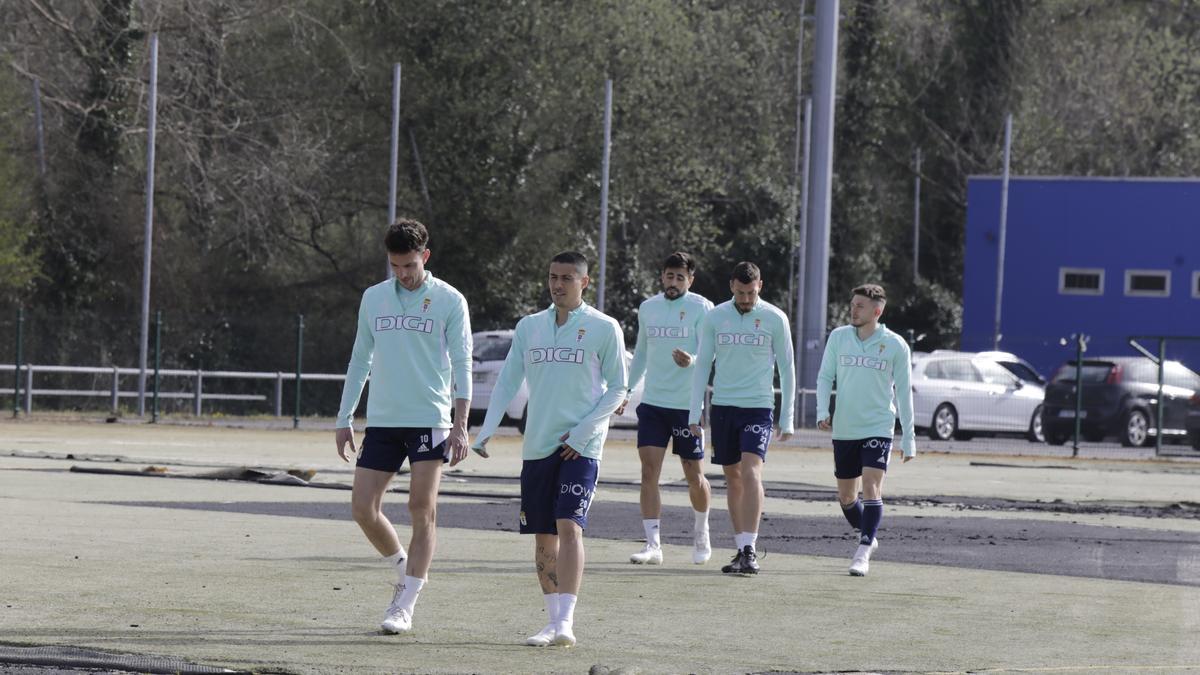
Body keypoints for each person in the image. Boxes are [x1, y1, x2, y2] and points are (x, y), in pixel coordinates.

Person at [472, 251, 627, 648]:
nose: (558, 284)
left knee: (569, 527)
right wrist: (486, 430)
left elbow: (618, 389)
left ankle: (567, 623)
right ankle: (552, 621)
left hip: (581, 449)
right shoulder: (529, 327)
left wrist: (583, 432)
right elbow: (508, 380)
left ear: (584, 282)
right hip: (537, 447)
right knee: (543, 537)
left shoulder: (604, 327)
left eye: (567, 278)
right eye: (553, 277)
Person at [333, 219, 472, 633]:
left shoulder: (450, 300)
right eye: (396, 266)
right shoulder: (374, 298)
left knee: (421, 509)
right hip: (384, 420)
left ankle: (405, 602)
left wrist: (461, 424)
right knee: (362, 508)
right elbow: (360, 360)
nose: (403, 274)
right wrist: (345, 418)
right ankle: (402, 567)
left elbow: (463, 363)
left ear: (424, 257)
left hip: (431, 419)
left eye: (409, 265)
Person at [688, 261, 794, 575]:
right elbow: (702, 365)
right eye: (741, 292)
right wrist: (696, 412)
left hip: (758, 407)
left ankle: (750, 548)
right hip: (723, 407)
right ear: (732, 285)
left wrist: (786, 418)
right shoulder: (715, 317)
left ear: (759, 285)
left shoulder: (775, 318)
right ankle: (739, 548)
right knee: (732, 478)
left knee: (751, 472)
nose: (746, 298)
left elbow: (787, 369)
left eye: (751, 292)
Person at [619, 252, 714, 565]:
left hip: (687, 407)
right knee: (649, 472)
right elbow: (642, 353)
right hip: (653, 404)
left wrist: (693, 360)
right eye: (669, 276)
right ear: (662, 276)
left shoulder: (702, 307)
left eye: (680, 277)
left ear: (690, 280)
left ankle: (701, 531)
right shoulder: (648, 307)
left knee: (694, 475)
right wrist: (626, 390)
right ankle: (652, 545)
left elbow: (709, 352)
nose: (673, 282)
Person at [815, 283, 916, 576]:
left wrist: (908, 438)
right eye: (853, 304)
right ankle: (868, 533)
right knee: (847, 497)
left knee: (871, 486)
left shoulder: (896, 345)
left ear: (877, 311)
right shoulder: (838, 337)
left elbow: (904, 393)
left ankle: (863, 549)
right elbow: (824, 377)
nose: (853, 309)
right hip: (845, 429)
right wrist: (823, 411)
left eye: (860, 306)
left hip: (877, 426)